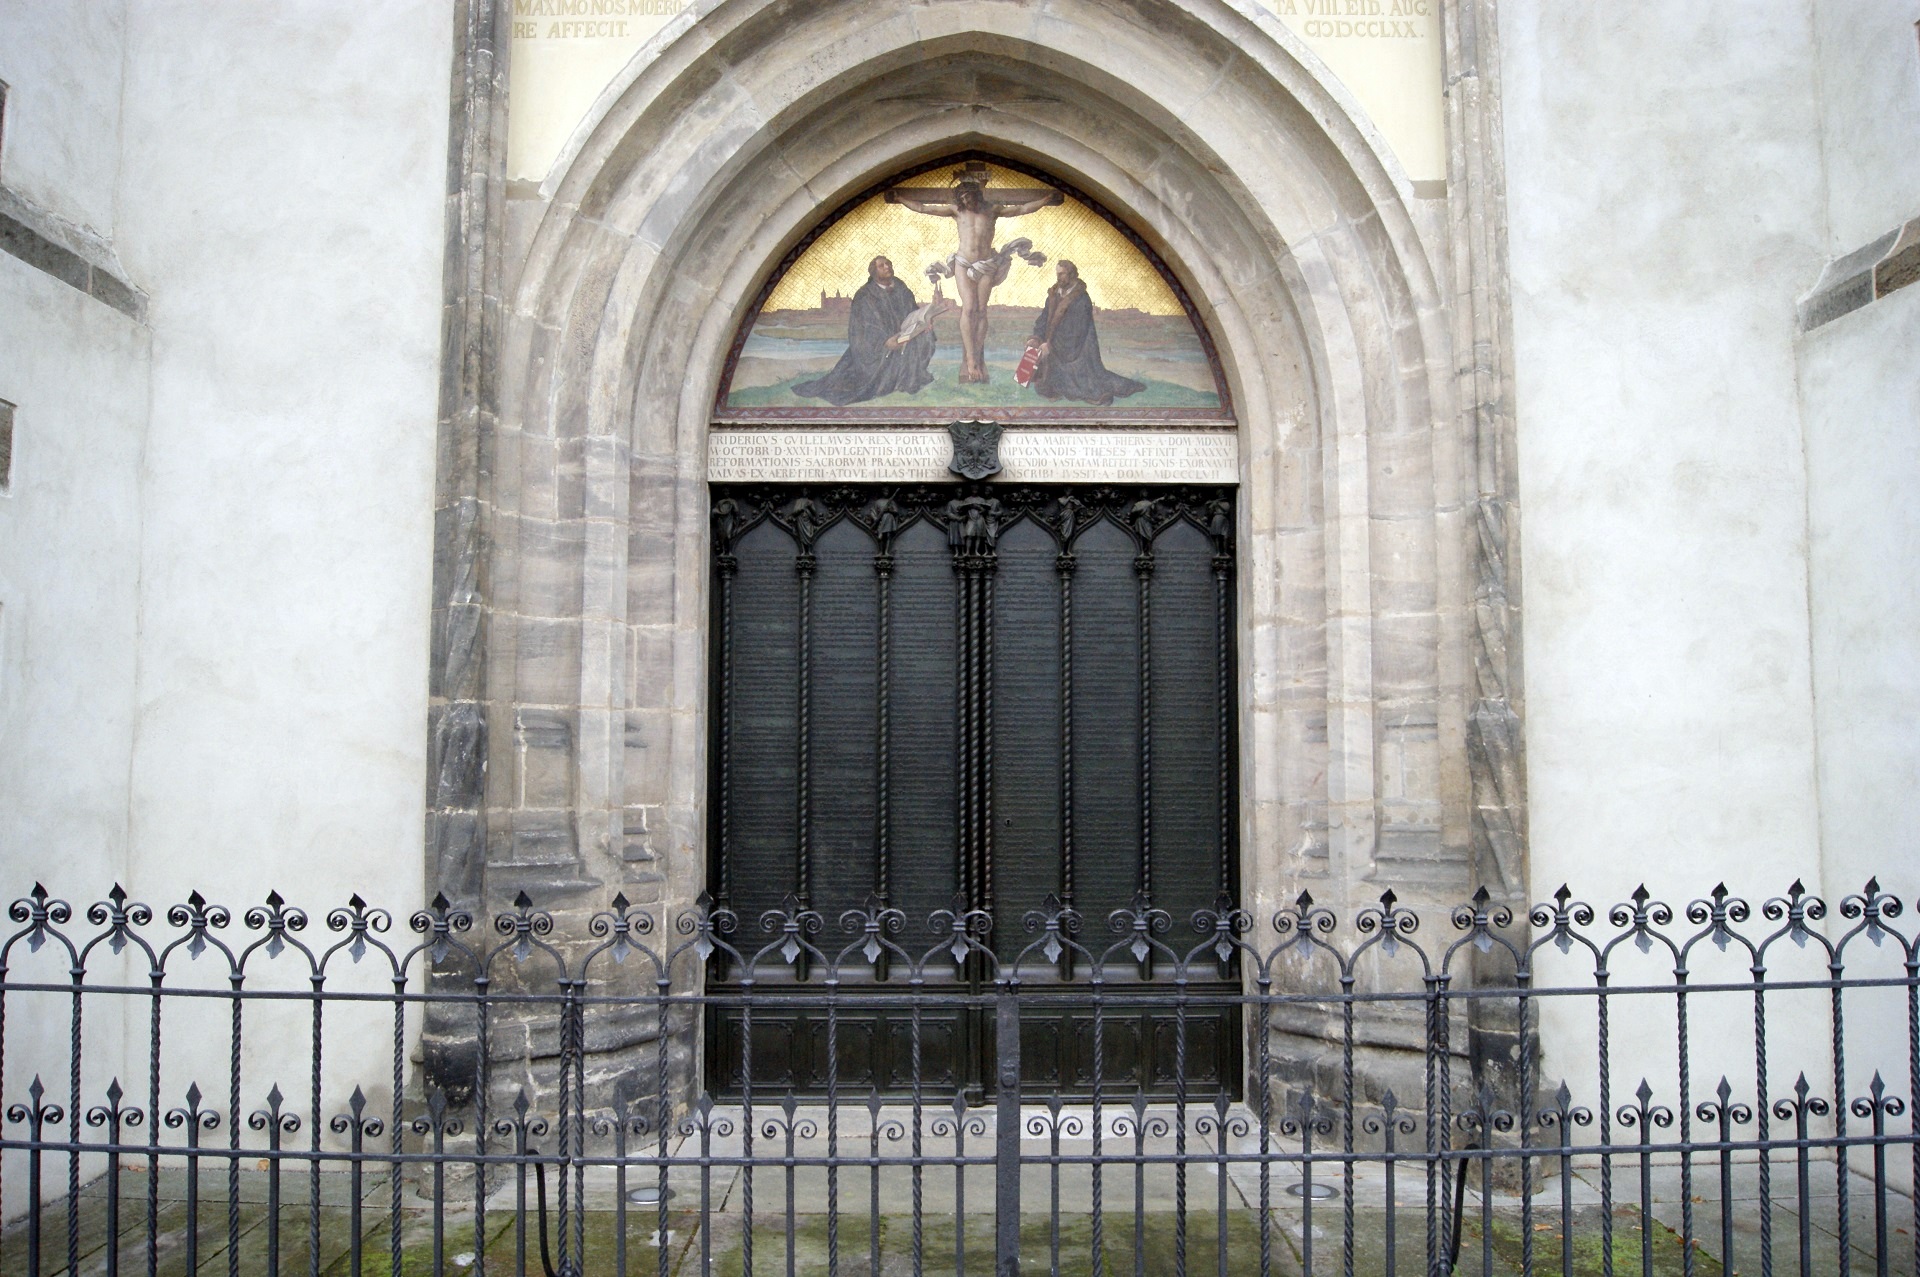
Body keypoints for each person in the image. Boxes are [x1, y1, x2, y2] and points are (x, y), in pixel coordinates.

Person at [887, 164, 1061, 383]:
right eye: (963, 198)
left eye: (969, 197)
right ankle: (970, 360)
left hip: (986, 264)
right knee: (968, 308)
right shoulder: (957, 211)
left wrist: (1045, 200)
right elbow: (923, 208)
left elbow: (1022, 209)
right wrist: (901, 198)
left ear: (976, 195)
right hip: (963, 262)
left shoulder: (992, 210)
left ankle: (977, 357)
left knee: (981, 310)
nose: (967, 201)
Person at [792, 256, 936, 405]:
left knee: (927, 336)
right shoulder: (864, 295)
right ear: (873, 272)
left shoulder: (900, 287)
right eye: (881, 265)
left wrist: (925, 322)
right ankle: (894, 381)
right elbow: (863, 328)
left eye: (888, 264)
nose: (887, 267)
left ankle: (909, 379)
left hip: (904, 335)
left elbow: (913, 311)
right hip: (875, 346)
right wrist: (885, 341)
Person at [1027, 261, 1146, 406]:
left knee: (1087, 388)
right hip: (1054, 345)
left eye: (1062, 274)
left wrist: (1050, 345)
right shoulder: (1053, 294)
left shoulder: (1081, 299)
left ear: (1071, 274)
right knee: (1043, 384)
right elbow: (1044, 318)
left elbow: (1076, 330)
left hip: (1079, 350)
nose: (1058, 277)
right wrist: (1036, 338)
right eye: (1057, 274)